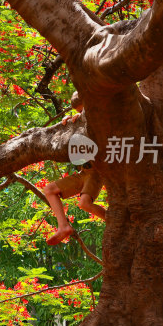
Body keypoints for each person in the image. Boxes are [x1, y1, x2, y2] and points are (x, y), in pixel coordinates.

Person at [43, 92, 106, 245]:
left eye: (83, 110)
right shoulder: (78, 120)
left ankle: (113, 219)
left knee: (84, 203)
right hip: (84, 172)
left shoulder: (101, 116)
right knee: (49, 189)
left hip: (97, 171)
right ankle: (63, 226)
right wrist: (71, 123)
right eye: (79, 111)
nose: (81, 114)